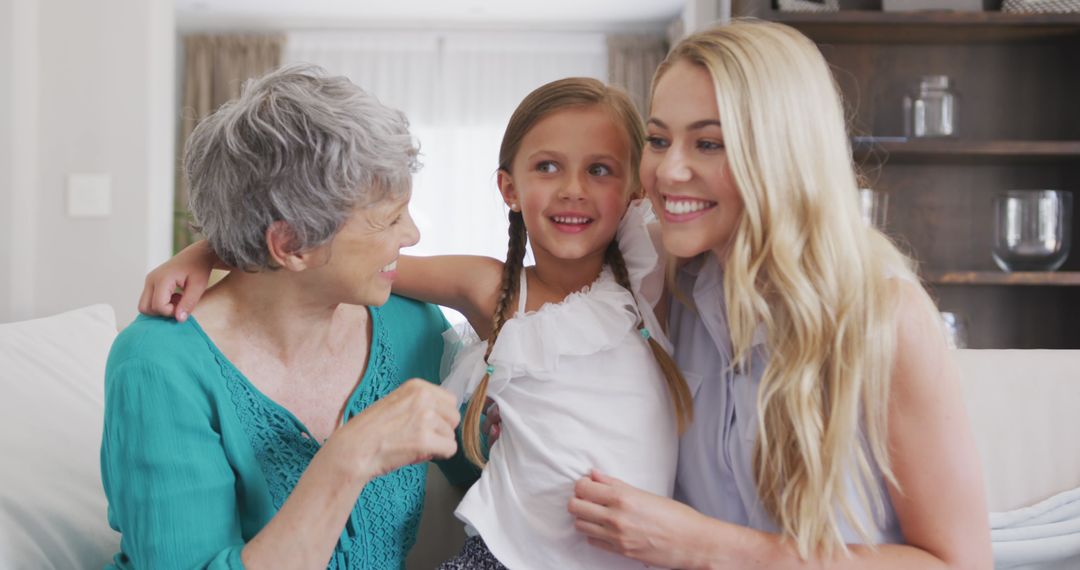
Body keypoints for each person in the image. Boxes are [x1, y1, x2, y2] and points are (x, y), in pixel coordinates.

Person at [139, 77, 693, 569]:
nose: (574, 187)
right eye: (548, 166)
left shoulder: (647, 273)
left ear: (635, 188)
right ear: (509, 188)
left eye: (599, 170)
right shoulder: (490, 289)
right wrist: (216, 247)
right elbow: (320, 247)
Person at [566, 20, 994, 569]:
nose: (668, 171)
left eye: (709, 143)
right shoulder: (667, 282)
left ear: (782, 154)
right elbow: (539, 299)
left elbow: (960, 563)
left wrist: (704, 547)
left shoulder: (884, 315)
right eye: (657, 140)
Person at [101, 64, 476, 570]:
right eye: (387, 218)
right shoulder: (159, 366)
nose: (411, 235)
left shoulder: (409, 322)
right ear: (292, 243)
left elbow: (490, 475)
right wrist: (347, 459)